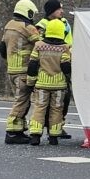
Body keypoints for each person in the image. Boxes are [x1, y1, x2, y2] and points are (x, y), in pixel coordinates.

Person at [0, 0, 42, 144]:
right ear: (27, 12)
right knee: (22, 101)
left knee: (21, 100)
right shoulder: (28, 27)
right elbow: (40, 45)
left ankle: (18, 131)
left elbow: (2, 49)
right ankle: (12, 133)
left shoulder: (8, 25)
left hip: (12, 70)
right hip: (24, 70)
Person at [24, 18, 72, 146]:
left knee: (39, 108)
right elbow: (66, 67)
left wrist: (30, 83)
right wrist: (69, 79)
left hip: (41, 85)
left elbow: (32, 66)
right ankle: (54, 136)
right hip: (59, 86)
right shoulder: (64, 48)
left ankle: (35, 135)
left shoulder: (39, 46)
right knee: (56, 110)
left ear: (47, 31)